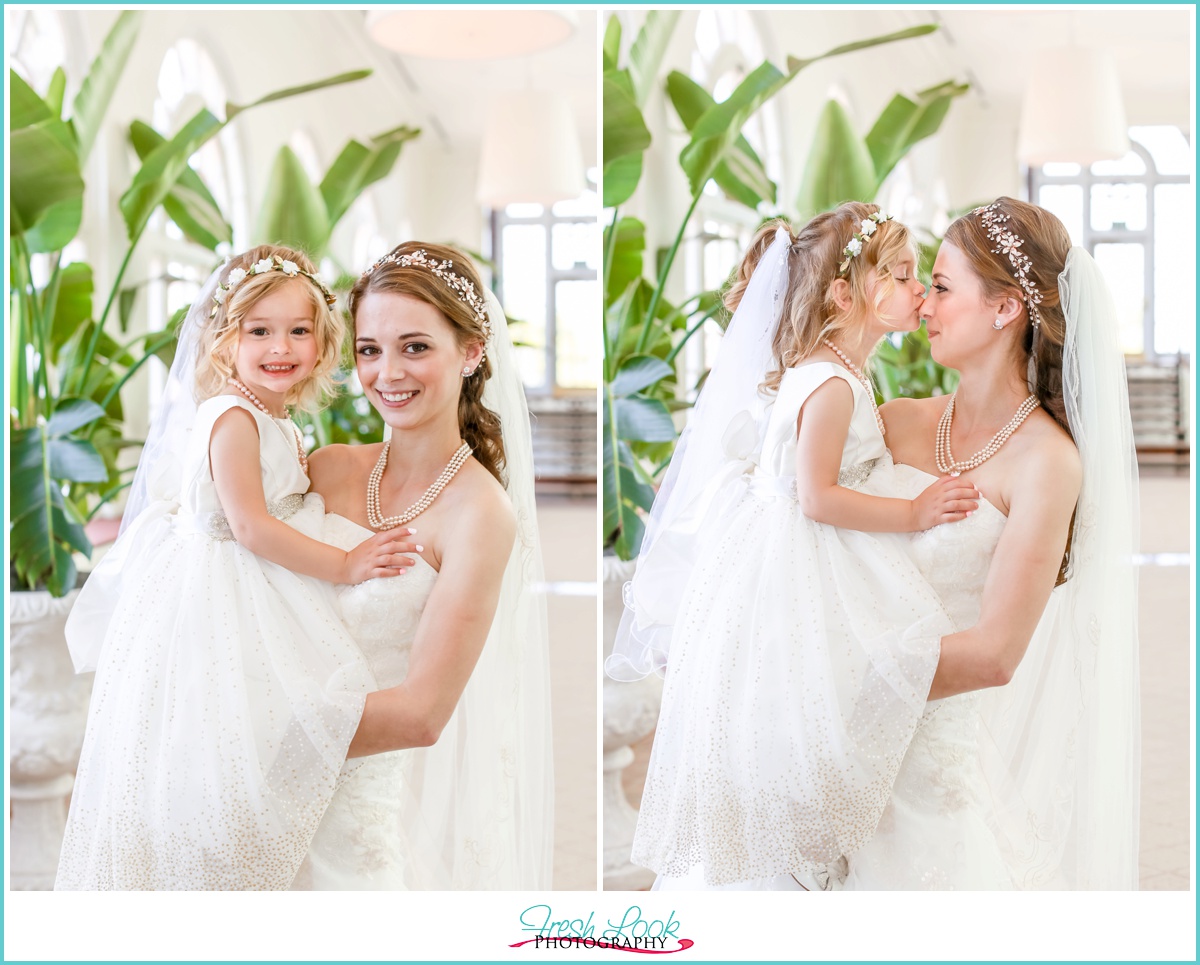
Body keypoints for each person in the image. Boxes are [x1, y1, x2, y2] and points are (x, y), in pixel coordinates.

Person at [610, 204, 981, 889]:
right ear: (844, 294)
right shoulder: (833, 382)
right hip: (799, 556)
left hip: (785, 549)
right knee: (816, 703)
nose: (918, 291)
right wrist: (915, 509)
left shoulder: (833, 366)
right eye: (900, 275)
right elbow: (816, 496)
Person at [56, 245, 417, 890]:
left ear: (322, 340)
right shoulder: (232, 418)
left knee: (265, 734)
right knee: (225, 737)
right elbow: (250, 526)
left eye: (298, 330)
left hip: (255, 580)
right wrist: (345, 563)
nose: (281, 346)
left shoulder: (273, 416)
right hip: (220, 590)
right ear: (226, 340)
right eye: (259, 331)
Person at [844, 198, 1139, 889]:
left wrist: (841, 682)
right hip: (828, 751)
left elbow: (997, 653)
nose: (922, 306)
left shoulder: (1047, 463)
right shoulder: (893, 421)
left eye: (942, 287)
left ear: (1007, 308)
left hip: (922, 769)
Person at [290, 242, 554, 890]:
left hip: (348, 808)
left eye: (415, 347)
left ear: (470, 353)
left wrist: (263, 728)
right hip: (263, 796)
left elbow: (422, 713)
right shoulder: (326, 467)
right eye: (370, 349)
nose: (388, 372)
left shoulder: (480, 515)